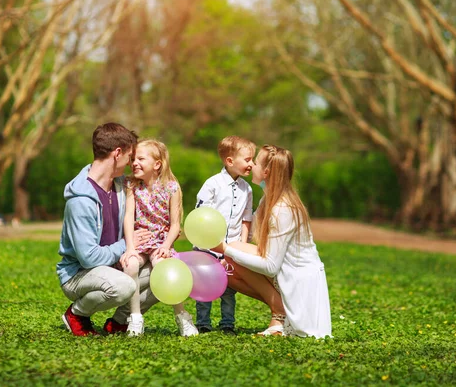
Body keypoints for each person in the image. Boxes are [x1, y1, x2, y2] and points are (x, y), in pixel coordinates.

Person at [213, 144, 332, 338]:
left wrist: (226, 248)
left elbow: (271, 266)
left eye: (256, 162)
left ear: (266, 172)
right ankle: (280, 310)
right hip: (287, 275)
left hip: (299, 284)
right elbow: (251, 239)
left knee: (233, 252)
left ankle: (281, 312)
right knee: (228, 268)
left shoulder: (282, 209)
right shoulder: (268, 200)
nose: (251, 164)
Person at [57, 122, 157, 336]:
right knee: (124, 286)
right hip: (79, 275)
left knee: (163, 274)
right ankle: (76, 314)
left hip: (113, 266)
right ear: (117, 153)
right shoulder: (80, 200)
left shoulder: (121, 186)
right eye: (130, 157)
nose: (132, 163)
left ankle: (119, 322)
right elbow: (89, 259)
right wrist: (128, 244)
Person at [120, 139, 198, 337]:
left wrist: (166, 245)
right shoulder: (132, 185)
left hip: (160, 240)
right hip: (140, 239)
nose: (134, 163)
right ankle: (135, 317)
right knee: (130, 265)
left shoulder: (171, 187)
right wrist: (130, 248)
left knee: (164, 266)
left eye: (140, 159)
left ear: (157, 164)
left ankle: (182, 316)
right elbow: (129, 217)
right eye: (133, 159)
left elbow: (175, 224)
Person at [194, 136, 256, 336]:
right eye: (248, 160)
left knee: (230, 288)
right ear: (230, 161)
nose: (252, 164)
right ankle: (203, 323)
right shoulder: (212, 184)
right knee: (205, 285)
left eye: (252, 160)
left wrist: (241, 247)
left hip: (231, 247)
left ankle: (227, 323)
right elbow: (201, 217)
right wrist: (213, 245)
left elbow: (246, 219)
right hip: (208, 248)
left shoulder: (247, 189)